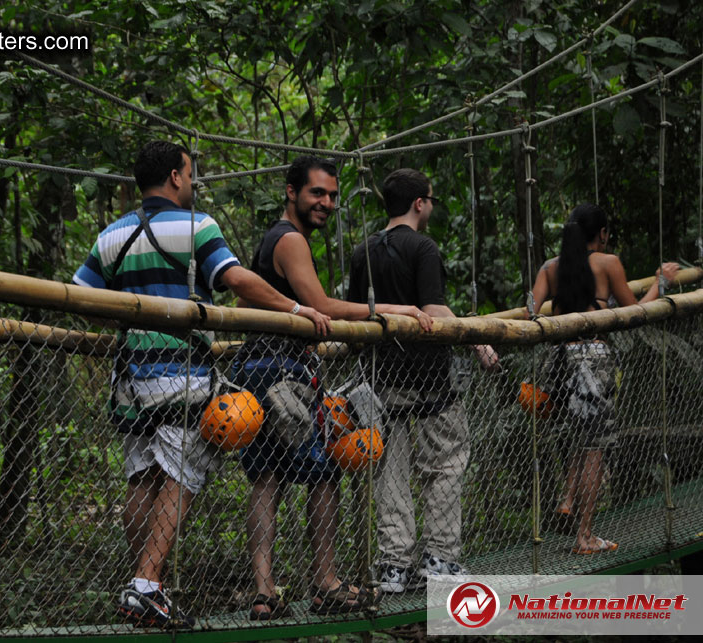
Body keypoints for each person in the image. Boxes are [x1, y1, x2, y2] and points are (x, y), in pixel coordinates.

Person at [72, 141, 330, 627]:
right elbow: (236, 279)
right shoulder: (197, 226)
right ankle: (146, 585)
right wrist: (296, 308)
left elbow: (82, 296)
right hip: (182, 378)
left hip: (129, 380)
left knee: (142, 478)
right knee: (181, 479)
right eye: (190, 174)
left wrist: (132, 314)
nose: (193, 182)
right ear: (174, 176)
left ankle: (147, 587)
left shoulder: (112, 234)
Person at [233, 157, 433, 620]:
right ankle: (324, 582)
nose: (326, 203)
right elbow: (321, 305)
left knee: (267, 478)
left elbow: (245, 298)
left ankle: (265, 591)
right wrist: (392, 307)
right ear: (291, 192)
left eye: (331, 195)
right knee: (323, 472)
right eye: (316, 193)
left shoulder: (272, 240)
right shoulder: (291, 239)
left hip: (256, 369)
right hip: (286, 373)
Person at [347, 168, 499, 593]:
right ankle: (439, 559)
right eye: (430, 199)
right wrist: (479, 342)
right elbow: (434, 309)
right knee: (446, 465)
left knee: (389, 474)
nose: (431, 206)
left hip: (383, 381)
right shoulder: (423, 247)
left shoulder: (363, 252)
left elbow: (359, 312)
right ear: (419, 204)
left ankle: (394, 565)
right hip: (431, 381)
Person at [530, 202, 678, 555]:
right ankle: (584, 536)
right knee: (594, 450)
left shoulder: (550, 268)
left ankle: (568, 499)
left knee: (580, 442)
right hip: (594, 361)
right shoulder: (608, 263)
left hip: (560, 359)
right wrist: (661, 282)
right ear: (603, 234)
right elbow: (633, 313)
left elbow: (530, 312)